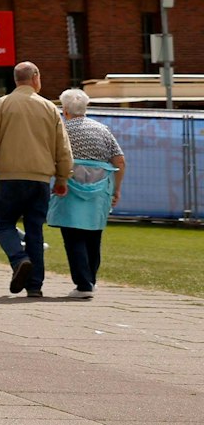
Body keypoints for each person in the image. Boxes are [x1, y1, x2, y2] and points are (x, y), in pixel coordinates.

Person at [0, 61, 73, 298]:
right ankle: (35, 286)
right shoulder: (49, 108)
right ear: (35, 77)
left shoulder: (1, 105)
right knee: (35, 229)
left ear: (16, 79)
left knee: (4, 223)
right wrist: (62, 177)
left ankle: (19, 260)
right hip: (39, 179)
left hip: (9, 177)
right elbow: (62, 147)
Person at [55, 88, 126, 298]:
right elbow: (119, 161)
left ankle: (83, 284)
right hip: (99, 188)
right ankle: (91, 280)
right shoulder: (102, 130)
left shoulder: (62, 130)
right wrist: (116, 188)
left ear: (65, 110)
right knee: (94, 235)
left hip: (70, 186)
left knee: (73, 234)